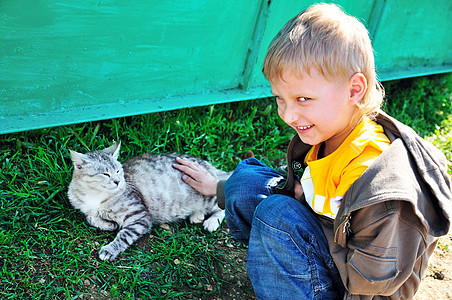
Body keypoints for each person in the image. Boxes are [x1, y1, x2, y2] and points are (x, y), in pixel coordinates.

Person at [173, 3, 452, 299]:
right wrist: (218, 186)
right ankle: (277, 260)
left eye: (303, 98)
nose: (288, 115)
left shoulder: (375, 180)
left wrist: (301, 214)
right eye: (280, 98)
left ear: (354, 90)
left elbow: (372, 280)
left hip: (359, 288)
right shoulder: (328, 129)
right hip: (328, 238)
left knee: (276, 215)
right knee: (243, 184)